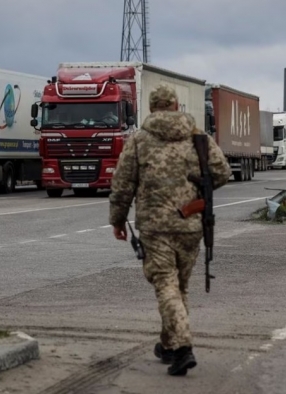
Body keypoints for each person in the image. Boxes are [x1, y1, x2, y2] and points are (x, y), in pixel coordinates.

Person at [108, 83, 231, 376]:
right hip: (190, 225)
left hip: (154, 228)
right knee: (179, 288)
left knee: (165, 285)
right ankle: (168, 345)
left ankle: (183, 348)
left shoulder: (139, 141)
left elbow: (123, 184)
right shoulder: (198, 138)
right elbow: (223, 173)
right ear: (177, 106)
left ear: (152, 108)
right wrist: (197, 192)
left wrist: (117, 219)